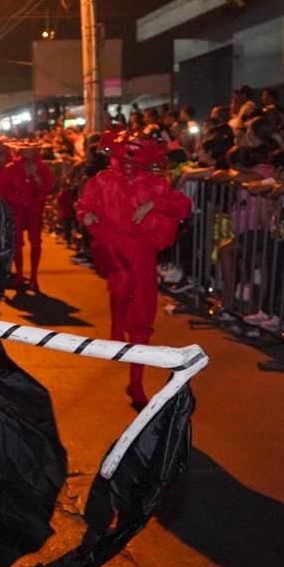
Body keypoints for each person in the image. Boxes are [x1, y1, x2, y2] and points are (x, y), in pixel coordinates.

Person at [76, 129, 191, 410]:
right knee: (122, 282)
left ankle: (136, 382)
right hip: (109, 244)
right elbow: (83, 206)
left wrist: (154, 203)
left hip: (141, 253)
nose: (128, 163)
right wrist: (86, 216)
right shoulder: (102, 180)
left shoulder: (154, 183)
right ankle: (117, 327)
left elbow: (182, 206)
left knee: (142, 316)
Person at [0, 140, 54, 292]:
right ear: (21, 152)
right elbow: (3, 190)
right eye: (26, 150)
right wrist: (15, 198)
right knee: (17, 242)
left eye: (33, 150)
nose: (30, 153)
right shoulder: (11, 168)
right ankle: (20, 275)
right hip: (16, 209)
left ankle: (34, 276)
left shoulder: (42, 168)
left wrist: (36, 176)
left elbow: (48, 188)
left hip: (34, 209)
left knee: (35, 241)